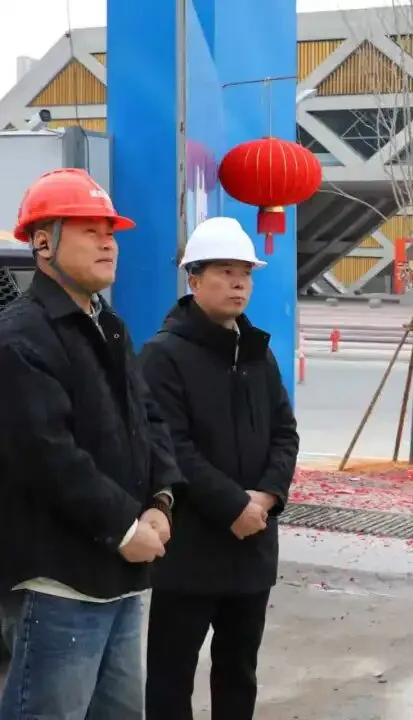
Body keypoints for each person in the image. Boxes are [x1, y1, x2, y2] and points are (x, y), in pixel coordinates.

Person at [0, 168, 184, 719]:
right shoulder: (19, 337)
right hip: (60, 582)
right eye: (89, 231)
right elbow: (47, 455)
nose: (108, 243)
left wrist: (161, 501)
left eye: (111, 232)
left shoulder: (109, 326)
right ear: (42, 243)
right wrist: (125, 528)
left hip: (122, 576)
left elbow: (148, 419)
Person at [140, 216, 299, 720]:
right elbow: (171, 446)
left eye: (245, 274)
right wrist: (233, 505)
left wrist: (266, 497)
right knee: (171, 678)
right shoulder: (163, 355)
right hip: (189, 549)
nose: (238, 284)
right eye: (225, 272)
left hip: (252, 546)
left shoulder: (258, 353)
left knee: (239, 673)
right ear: (194, 280)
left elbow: (285, 433)